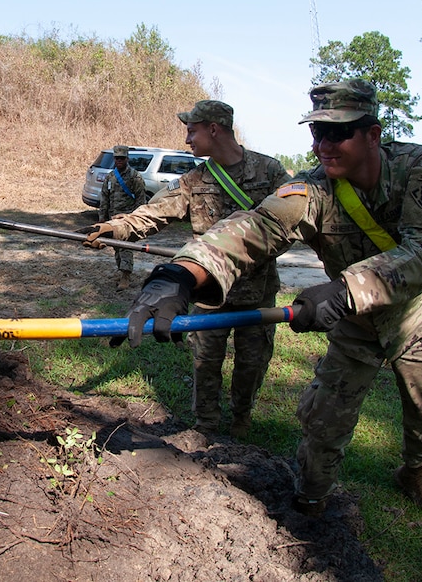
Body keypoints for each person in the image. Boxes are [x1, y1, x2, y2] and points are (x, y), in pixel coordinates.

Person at [119, 80, 422, 516]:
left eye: (337, 134)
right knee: (324, 418)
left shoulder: (414, 167)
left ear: (372, 135)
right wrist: (181, 274)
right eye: (316, 134)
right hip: (357, 325)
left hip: (417, 318)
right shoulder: (312, 189)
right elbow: (256, 228)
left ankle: (415, 471)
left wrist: (344, 289)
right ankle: (311, 497)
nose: (322, 146)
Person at [80, 100, 291, 439]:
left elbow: (286, 223)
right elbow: (154, 212)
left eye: (192, 130)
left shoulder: (270, 172)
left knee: (252, 363)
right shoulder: (194, 180)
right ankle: (205, 426)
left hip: (258, 293)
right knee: (205, 362)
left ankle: (241, 421)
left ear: (214, 128)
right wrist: (115, 228)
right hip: (208, 293)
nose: (188, 139)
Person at [99, 145, 148, 290]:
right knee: (116, 247)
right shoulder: (111, 176)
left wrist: (135, 219)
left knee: (125, 248)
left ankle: (125, 277)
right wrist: (102, 218)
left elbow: (141, 200)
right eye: (116, 158)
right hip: (112, 219)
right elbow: (104, 198)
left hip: (127, 220)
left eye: (122, 158)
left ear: (127, 158)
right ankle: (121, 271)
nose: (119, 161)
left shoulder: (135, 177)